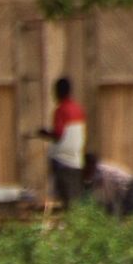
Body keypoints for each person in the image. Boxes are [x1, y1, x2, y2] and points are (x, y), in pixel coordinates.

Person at [38, 76, 88, 205]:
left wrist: (44, 133)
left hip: (62, 161)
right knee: (75, 198)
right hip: (76, 160)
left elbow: (58, 134)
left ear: (58, 91)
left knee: (65, 199)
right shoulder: (78, 109)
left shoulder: (61, 110)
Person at [83, 154, 133, 219]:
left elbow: (108, 195)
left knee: (125, 215)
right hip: (122, 188)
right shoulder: (93, 172)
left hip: (130, 188)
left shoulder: (100, 174)